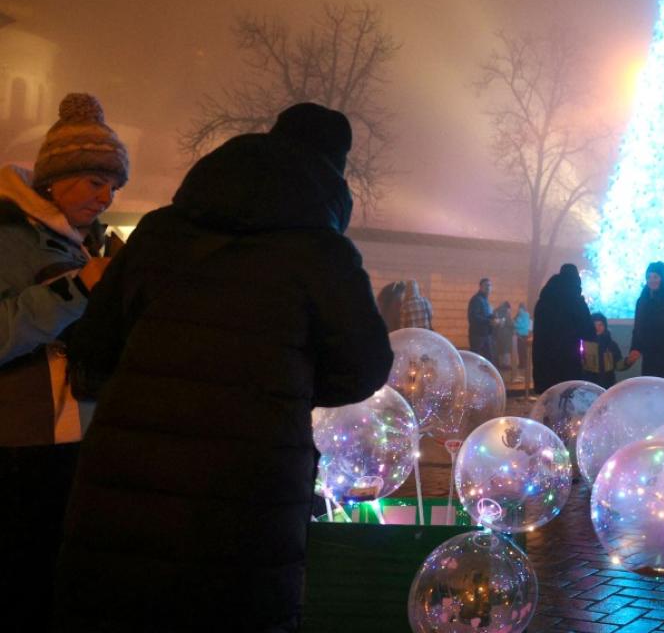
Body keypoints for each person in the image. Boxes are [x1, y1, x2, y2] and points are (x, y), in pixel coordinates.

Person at [57, 102, 393, 633]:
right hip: (248, 488)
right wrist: (286, 385)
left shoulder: (160, 231)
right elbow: (366, 367)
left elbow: (95, 348)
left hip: (128, 481)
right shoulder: (322, 254)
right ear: (335, 173)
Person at [0, 93, 128, 631]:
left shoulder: (83, 243)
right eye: (96, 181)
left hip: (74, 444)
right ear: (57, 177)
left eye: (113, 186)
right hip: (19, 450)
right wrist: (77, 289)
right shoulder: (10, 239)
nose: (106, 197)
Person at [532, 264, 594, 393]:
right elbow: (588, 331)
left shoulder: (543, 301)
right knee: (567, 395)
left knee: (549, 396)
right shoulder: (576, 302)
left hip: (544, 357)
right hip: (568, 358)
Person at [581, 312, 624, 389]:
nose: (597, 328)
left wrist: (629, 361)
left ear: (605, 326)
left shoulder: (611, 344)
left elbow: (619, 365)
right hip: (588, 385)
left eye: (600, 325)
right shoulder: (583, 344)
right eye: (594, 325)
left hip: (608, 384)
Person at [467, 277, 495, 362]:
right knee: (475, 360)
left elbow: (485, 315)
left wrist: (494, 318)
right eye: (486, 285)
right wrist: (489, 321)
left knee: (488, 360)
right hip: (477, 335)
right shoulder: (476, 299)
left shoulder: (485, 300)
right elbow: (473, 317)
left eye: (490, 285)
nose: (489, 287)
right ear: (481, 287)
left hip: (485, 334)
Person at [513, 301, 533, 394]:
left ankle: (522, 364)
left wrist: (515, 324)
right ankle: (524, 363)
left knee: (521, 351)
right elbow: (529, 325)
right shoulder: (527, 315)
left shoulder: (521, 315)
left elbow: (518, 324)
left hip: (520, 335)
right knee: (524, 351)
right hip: (525, 334)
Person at [492, 300, 514, 373]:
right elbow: (510, 323)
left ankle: (500, 364)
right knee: (506, 350)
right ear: (508, 307)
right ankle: (506, 365)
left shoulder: (496, 311)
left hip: (498, 334)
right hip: (506, 334)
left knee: (499, 350)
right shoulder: (506, 313)